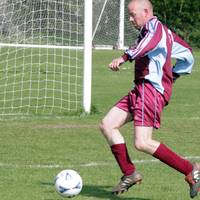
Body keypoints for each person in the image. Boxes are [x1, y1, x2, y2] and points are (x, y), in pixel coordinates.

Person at [99, 0, 200, 198]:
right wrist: (174, 74)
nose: (130, 19)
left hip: (151, 90)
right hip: (141, 89)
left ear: (146, 12)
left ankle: (192, 170)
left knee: (143, 142)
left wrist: (125, 57)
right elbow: (188, 55)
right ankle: (129, 173)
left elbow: (149, 44)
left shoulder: (155, 28)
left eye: (132, 14)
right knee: (107, 124)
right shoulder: (158, 32)